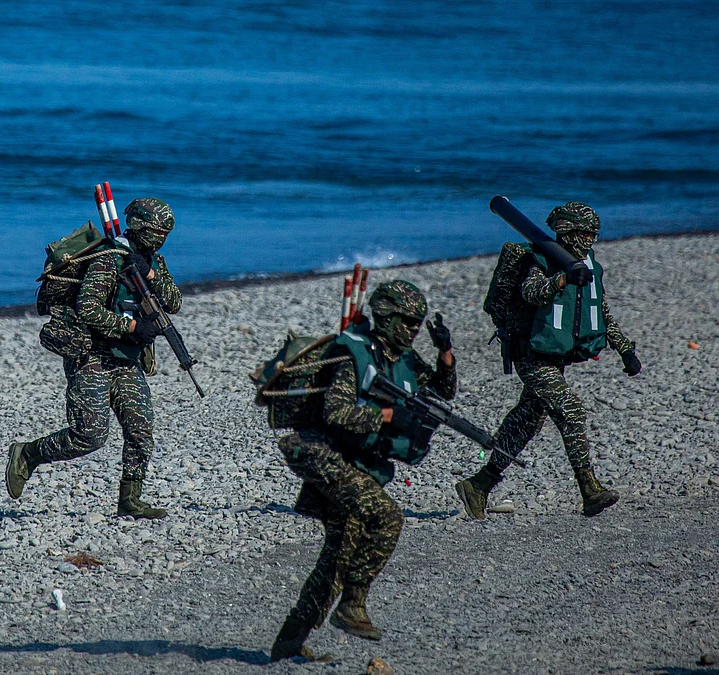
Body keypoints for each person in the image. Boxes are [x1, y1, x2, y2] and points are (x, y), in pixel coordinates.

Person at [271, 281, 457, 660]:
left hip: (357, 461)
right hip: (323, 453)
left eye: (419, 324)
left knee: (340, 553)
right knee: (387, 516)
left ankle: (287, 645)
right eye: (408, 322)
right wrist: (389, 415)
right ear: (386, 316)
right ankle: (352, 605)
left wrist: (445, 351)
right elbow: (335, 414)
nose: (413, 330)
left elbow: (443, 391)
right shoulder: (353, 355)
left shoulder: (404, 359)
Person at [457, 202, 640, 519]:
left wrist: (625, 349)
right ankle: (590, 489)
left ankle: (478, 485)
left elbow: (601, 312)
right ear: (568, 232)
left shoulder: (587, 264)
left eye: (595, 233)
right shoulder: (544, 260)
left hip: (556, 357)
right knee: (570, 409)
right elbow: (531, 292)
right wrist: (562, 280)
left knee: (526, 421)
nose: (592, 239)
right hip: (531, 355)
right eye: (586, 233)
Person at [5, 198, 182, 519]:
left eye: (165, 233)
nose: (161, 238)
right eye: (157, 231)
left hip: (127, 359)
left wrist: (152, 275)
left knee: (141, 430)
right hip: (91, 356)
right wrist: (130, 326)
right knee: (89, 436)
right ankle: (28, 454)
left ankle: (131, 498)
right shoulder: (107, 259)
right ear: (141, 226)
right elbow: (88, 308)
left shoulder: (153, 260)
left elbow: (174, 302)